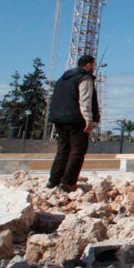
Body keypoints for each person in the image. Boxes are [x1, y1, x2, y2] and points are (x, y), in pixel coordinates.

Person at [46, 54, 99, 190]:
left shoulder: (62, 79)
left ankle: (53, 181)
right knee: (77, 151)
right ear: (88, 65)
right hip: (76, 119)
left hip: (59, 119)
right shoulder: (85, 78)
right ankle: (68, 182)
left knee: (63, 150)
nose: (94, 68)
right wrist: (88, 119)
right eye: (94, 65)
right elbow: (85, 100)